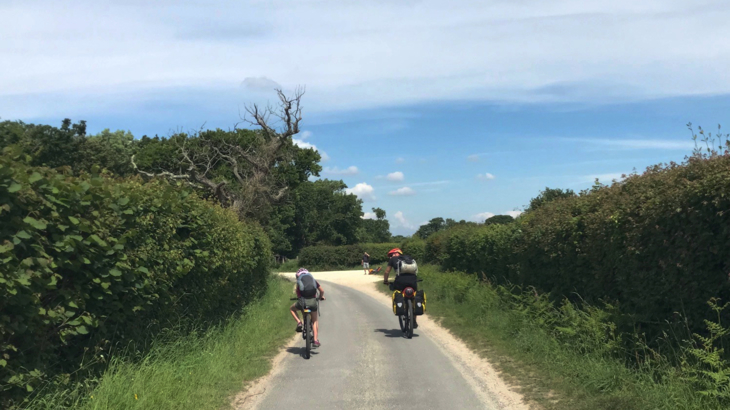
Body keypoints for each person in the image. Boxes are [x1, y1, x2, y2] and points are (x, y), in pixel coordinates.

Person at [382, 248, 418, 328]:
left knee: (398, 292)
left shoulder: (393, 260)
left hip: (400, 281)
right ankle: (414, 319)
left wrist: (385, 281)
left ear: (394, 254)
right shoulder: (409, 258)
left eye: (391, 255)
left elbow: (387, 271)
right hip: (413, 281)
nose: (390, 257)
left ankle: (402, 306)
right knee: (414, 298)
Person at [290, 268, 325, 347]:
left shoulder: (299, 283)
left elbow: (298, 294)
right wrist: (321, 297)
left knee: (292, 309)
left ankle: (299, 322)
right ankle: (315, 340)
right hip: (312, 303)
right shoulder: (313, 281)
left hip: (302, 303)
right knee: (315, 320)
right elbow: (322, 291)